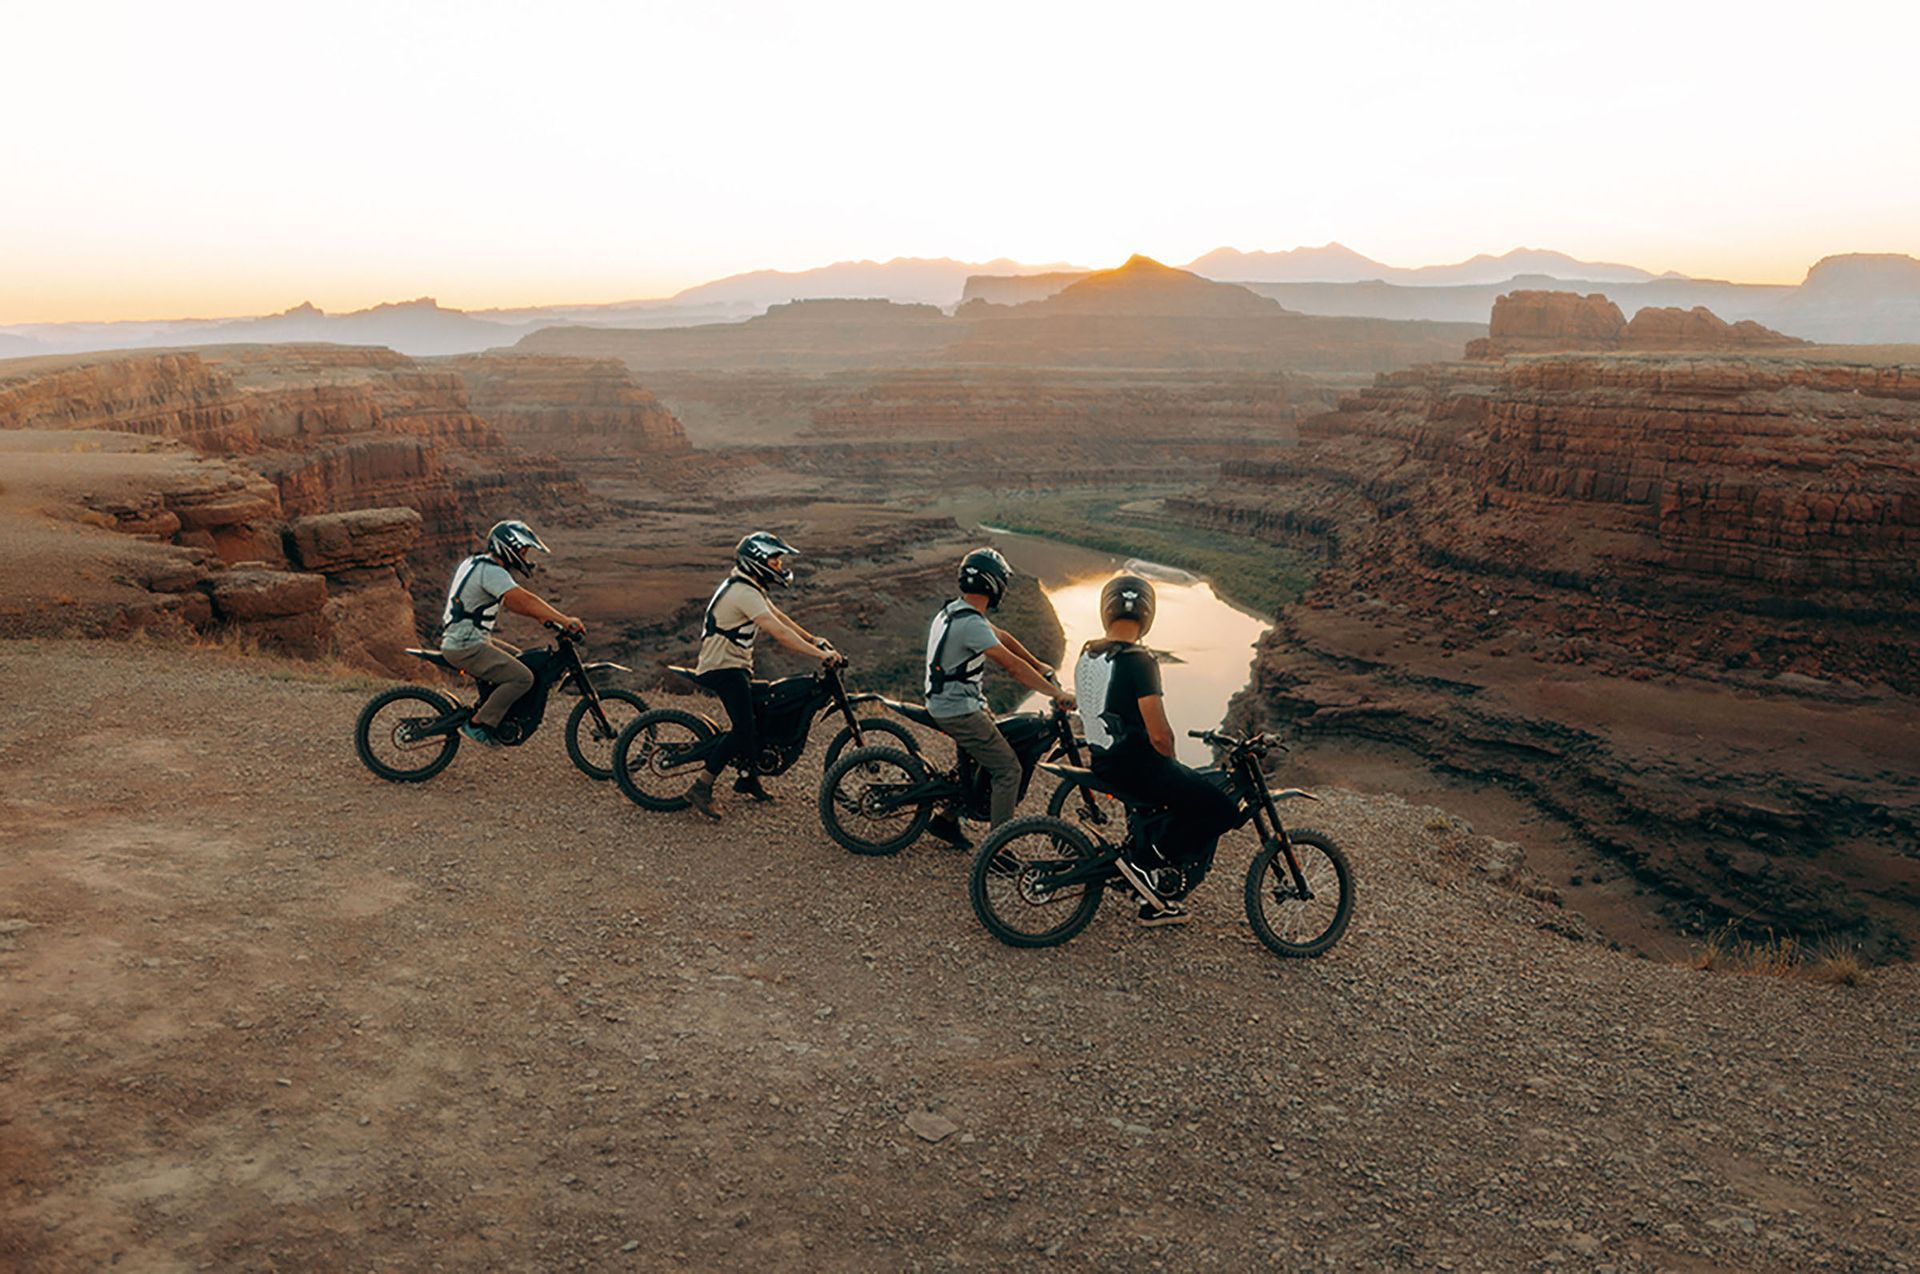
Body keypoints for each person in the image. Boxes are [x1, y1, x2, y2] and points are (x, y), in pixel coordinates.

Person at [1073, 573, 1239, 927]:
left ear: (1107, 611)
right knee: (1222, 810)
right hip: (1139, 767)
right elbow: (1160, 735)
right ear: (1147, 615)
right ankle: (1146, 865)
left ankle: (1145, 873)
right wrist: (1173, 764)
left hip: (1104, 762)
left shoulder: (1089, 654)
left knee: (1184, 796)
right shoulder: (1140, 660)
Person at [923, 548, 1074, 849]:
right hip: (958, 710)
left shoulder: (956, 610)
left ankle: (946, 820)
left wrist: (1040, 664)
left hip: (950, 702)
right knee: (1007, 770)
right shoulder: (971, 624)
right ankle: (997, 849)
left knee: (983, 759)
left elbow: (1002, 637)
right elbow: (1013, 667)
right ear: (994, 584)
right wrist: (1056, 693)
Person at [687, 531, 838, 820]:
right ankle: (701, 787)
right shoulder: (743, 592)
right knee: (744, 728)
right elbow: (777, 631)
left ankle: (747, 777)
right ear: (757, 560)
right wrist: (819, 655)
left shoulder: (750, 587)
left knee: (760, 716)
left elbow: (779, 616)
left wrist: (813, 638)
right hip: (722, 668)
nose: (779, 566)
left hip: (735, 666)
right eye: (775, 560)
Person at [439, 520, 584, 746]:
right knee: (522, 677)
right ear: (508, 547)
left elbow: (518, 604)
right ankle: (479, 724)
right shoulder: (491, 572)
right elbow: (521, 600)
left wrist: (544, 618)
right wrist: (564, 620)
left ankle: (497, 712)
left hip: (464, 638)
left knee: (520, 658)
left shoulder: (475, 562)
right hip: (466, 645)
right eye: (523, 551)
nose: (525, 557)